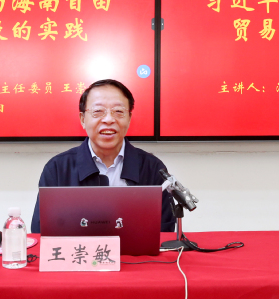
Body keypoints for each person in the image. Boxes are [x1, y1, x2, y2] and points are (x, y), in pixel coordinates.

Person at [30, 79, 176, 233]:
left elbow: (164, 232)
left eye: (118, 111)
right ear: (83, 119)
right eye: (98, 111)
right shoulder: (58, 169)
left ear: (129, 118)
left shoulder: (152, 168)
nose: (108, 119)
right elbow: (41, 231)